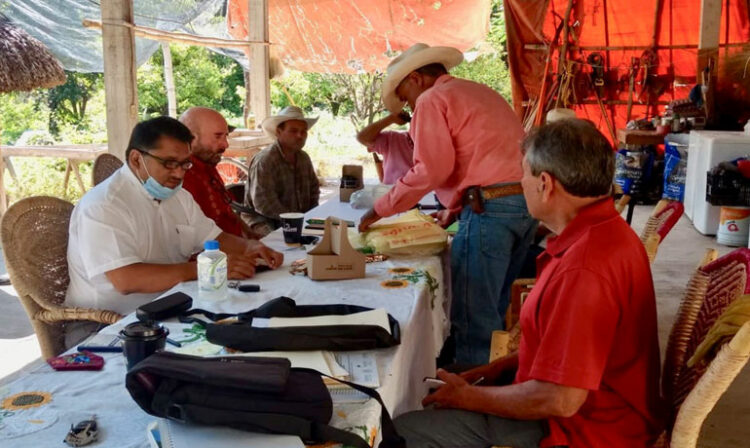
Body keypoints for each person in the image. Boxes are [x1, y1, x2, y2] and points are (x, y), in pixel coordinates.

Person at [393, 119, 664, 448]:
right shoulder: (601, 234)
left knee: (403, 431)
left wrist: (471, 398)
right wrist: (493, 371)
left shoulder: (585, 268)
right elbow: (560, 353)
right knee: (441, 376)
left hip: (582, 431)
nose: (521, 184)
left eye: (523, 174)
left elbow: (561, 400)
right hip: (584, 411)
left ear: (545, 184)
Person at [359, 43, 536, 364]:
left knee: (473, 312)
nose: (409, 105)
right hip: (524, 202)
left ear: (416, 79)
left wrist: (381, 208)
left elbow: (432, 169)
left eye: (405, 96)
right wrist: (454, 208)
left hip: (490, 208)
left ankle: (471, 382)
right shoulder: (478, 91)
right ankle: (492, 373)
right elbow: (484, 158)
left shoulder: (431, 99)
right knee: (494, 304)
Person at [65, 116, 283, 315]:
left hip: (171, 304)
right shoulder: (104, 205)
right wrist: (206, 269)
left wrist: (249, 247)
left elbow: (214, 237)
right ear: (136, 159)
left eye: (185, 164)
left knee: (265, 314)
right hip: (105, 322)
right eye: (169, 163)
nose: (179, 174)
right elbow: (126, 280)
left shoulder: (178, 196)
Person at [179, 106, 257, 238]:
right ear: (192, 138)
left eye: (226, 136)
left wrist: (250, 234)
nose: (226, 144)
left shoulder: (208, 165)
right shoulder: (180, 176)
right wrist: (246, 246)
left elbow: (226, 210)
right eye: (218, 136)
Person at [245, 106, 320, 236]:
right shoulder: (266, 160)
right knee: (280, 243)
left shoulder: (303, 158)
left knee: (327, 233)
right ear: (279, 132)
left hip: (297, 219)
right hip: (264, 220)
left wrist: (310, 217)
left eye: (303, 131)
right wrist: (295, 221)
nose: (300, 136)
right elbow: (263, 204)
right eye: (293, 131)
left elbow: (314, 190)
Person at [356, 111, 414, 184]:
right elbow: (362, 138)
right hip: (393, 190)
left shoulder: (428, 145)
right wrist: (390, 119)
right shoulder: (394, 138)